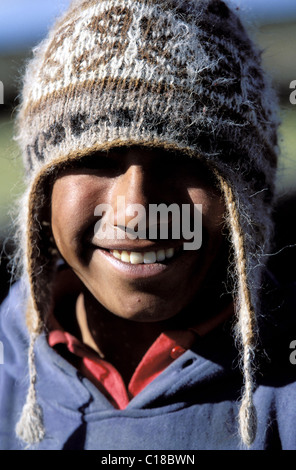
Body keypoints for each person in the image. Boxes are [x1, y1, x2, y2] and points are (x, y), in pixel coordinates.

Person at [0, 0, 295, 450]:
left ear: (248, 204)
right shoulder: (8, 368)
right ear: (43, 197)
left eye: (182, 160)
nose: (135, 208)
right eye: (95, 159)